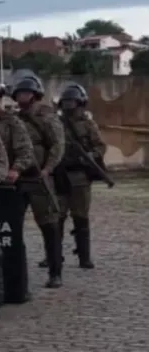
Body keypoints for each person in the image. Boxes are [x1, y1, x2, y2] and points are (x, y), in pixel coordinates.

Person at [10, 69, 65, 287]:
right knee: (12, 225)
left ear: (36, 94)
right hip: (17, 177)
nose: (23, 96)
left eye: (27, 93)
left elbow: (57, 145)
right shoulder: (13, 119)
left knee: (49, 225)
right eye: (20, 93)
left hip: (39, 176)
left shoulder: (46, 117)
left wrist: (47, 169)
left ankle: (55, 272)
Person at [57, 83, 107, 269]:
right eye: (66, 102)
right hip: (60, 175)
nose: (70, 106)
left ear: (80, 103)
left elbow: (100, 146)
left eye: (73, 102)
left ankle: (83, 256)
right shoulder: (56, 123)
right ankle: (54, 255)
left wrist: (89, 157)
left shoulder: (88, 125)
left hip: (80, 176)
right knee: (57, 217)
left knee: (81, 217)